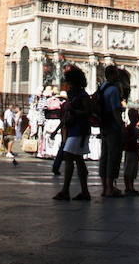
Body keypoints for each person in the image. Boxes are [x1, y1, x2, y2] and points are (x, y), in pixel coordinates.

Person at [54, 67, 93, 201]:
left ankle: (66, 191)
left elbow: (88, 113)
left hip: (80, 130)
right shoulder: (75, 95)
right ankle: (85, 191)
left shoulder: (83, 96)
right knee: (78, 160)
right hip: (74, 130)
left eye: (69, 82)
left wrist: (74, 111)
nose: (68, 84)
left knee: (69, 157)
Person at [96, 64, 126, 198]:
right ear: (113, 75)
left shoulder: (102, 87)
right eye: (116, 74)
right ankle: (110, 188)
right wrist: (121, 125)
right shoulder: (113, 90)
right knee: (113, 156)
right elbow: (115, 110)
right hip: (112, 125)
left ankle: (104, 187)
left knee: (105, 155)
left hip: (103, 124)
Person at [122, 107, 139, 196]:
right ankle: (128, 187)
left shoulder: (135, 129)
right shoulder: (129, 128)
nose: (137, 119)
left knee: (133, 170)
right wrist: (134, 137)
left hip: (135, 151)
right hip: (130, 151)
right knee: (129, 170)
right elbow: (126, 140)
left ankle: (131, 187)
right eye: (136, 117)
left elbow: (136, 141)